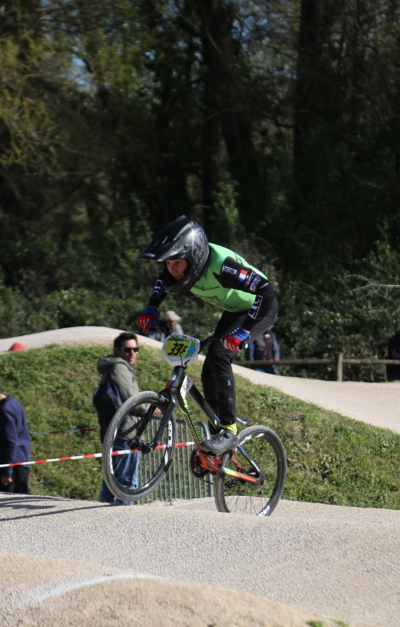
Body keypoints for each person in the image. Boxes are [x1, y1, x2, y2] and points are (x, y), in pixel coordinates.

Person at [137, 216, 278, 453]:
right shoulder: (177, 271)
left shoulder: (223, 266)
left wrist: (243, 332)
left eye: (177, 262)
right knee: (208, 368)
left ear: (195, 258)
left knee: (220, 354)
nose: (172, 269)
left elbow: (267, 290)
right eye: (168, 263)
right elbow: (162, 281)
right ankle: (216, 437)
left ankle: (229, 431)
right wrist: (151, 307)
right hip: (235, 310)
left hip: (261, 308)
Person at [95, 332, 142, 504]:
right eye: (127, 350)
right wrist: (151, 409)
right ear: (117, 350)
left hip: (113, 431)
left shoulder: (111, 367)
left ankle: (102, 513)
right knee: (127, 483)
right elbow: (133, 400)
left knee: (111, 482)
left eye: (135, 349)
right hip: (126, 432)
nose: (132, 354)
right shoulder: (119, 368)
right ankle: (123, 516)